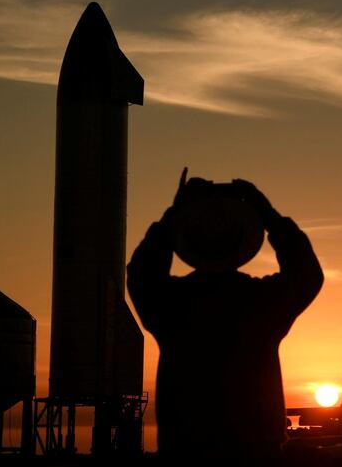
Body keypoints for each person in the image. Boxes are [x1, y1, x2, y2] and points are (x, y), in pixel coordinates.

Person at [127, 171, 323, 465]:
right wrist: (266, 213)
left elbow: (141, 273)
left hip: (185, 455)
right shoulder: (260, 303)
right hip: (256, 456)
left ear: (187, 241)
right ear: (243, 240)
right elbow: (307, 273)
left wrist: (174, 214)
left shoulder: (170, 304)